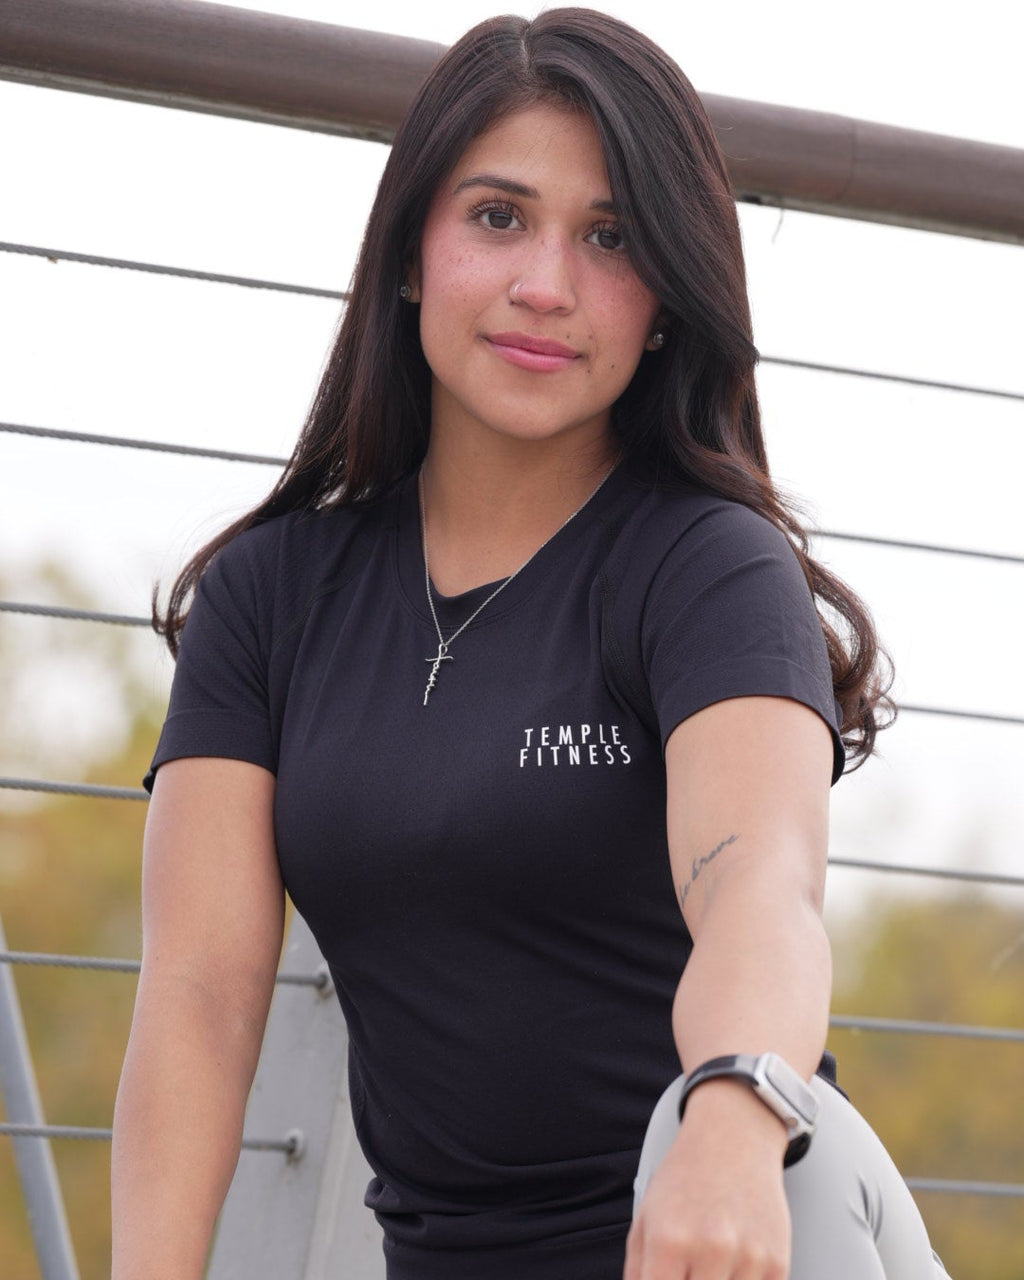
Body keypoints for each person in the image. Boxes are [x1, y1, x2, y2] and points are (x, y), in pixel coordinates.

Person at [111, 9, 950, 1280]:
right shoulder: (268, 600)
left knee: (753, 1139)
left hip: (751, 1212)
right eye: (498, 216)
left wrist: (728, 1117)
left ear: (668, 297)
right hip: (447, 1254)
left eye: (608, 237)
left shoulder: (706, 565)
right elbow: (198, 996)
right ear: (409, 255)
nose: (546, 284)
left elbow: (756, 884)